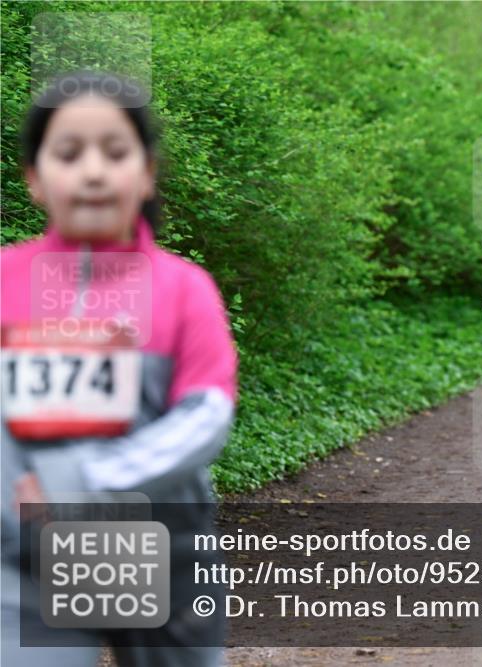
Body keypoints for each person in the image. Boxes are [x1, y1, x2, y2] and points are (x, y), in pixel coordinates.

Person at [1, 72, 237, 667]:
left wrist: (82, 485)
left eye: (115, 151)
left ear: (146, 171)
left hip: (167, 548)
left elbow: (206, 414)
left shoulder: (185, 288)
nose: (94, 172)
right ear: (34, 178)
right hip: (25, 550)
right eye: (68, 153)